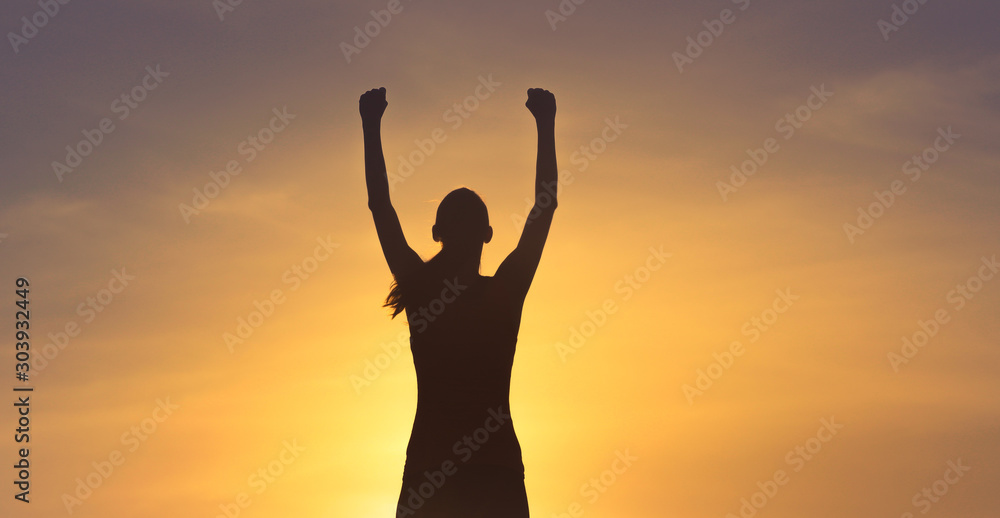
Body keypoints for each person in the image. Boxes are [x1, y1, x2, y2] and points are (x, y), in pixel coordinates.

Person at [360, 86, 558, 517]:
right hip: (490, 474)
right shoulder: (502, 293)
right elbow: (545, 207)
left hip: (440, 475)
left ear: (437, 233)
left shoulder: (424, 291)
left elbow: (381, 207)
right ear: (487, 235)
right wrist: (546, 123)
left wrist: (371, 124)